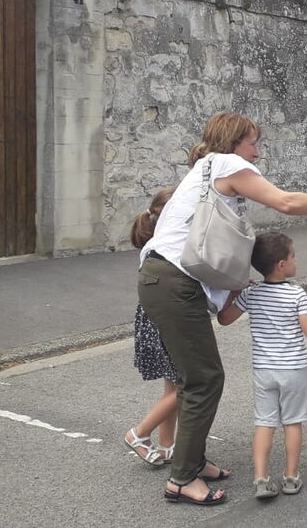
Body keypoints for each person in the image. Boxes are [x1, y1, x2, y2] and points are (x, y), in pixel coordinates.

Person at [138, 112, 307, 506]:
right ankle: (182, 480)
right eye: (253, 143)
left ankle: (195, 459)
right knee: (203, 380)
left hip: (165, 279)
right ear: (234, 142)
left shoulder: (207, 167)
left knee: (200, 378)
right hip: (173, 282)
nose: (257, 152)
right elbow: (286, 202)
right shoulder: (228, 163)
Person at [217, 232, 307, 499]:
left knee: (264, 423)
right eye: (293, 255)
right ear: (281, 264)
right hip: (292, 369)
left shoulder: (251, 293)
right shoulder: (296, 294)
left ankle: (260, 478)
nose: (296, 260)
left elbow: (224, 319)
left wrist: (236, 290)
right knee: (292, 422)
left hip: (264, 370)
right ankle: (291, 477)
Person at [123, 187, 180, 467]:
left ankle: (167, 445)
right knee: (187, 385)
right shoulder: (165, 247)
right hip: (165, 318)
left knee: (173, 386)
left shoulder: (157, 245)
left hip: (153, 316)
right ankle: (139, 434)